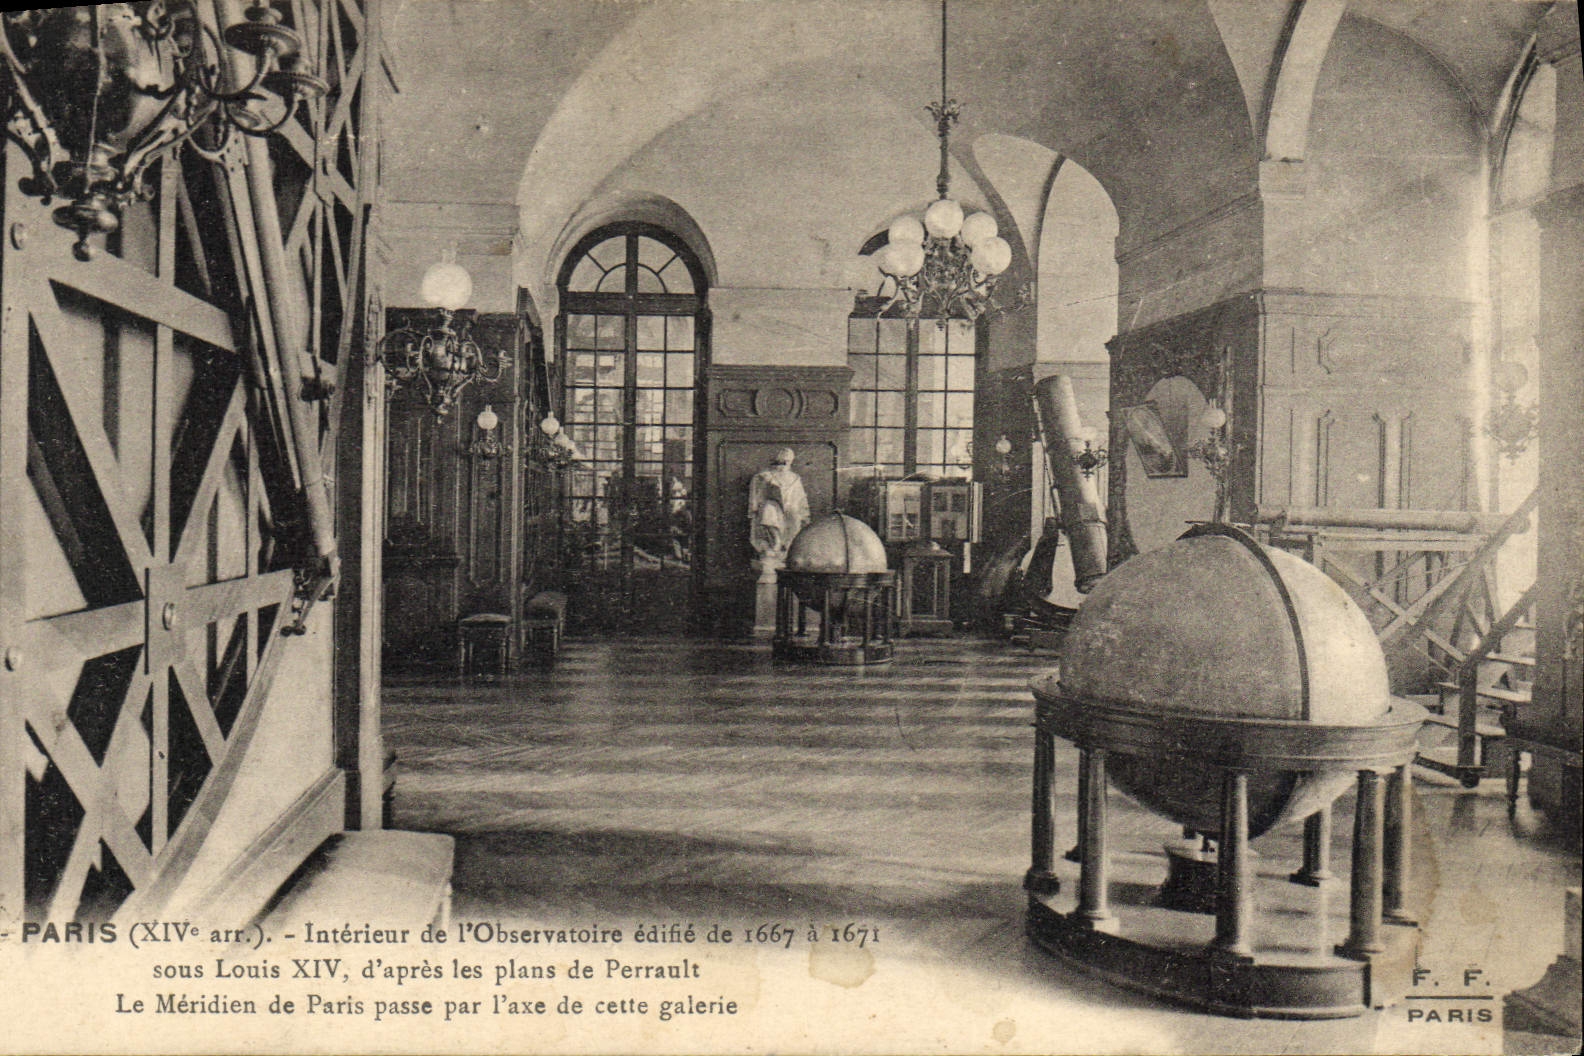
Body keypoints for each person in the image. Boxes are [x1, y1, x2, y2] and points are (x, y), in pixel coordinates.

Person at [747, 448, 809, 572]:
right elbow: (757, 496)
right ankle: (776, 541)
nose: (784, 463)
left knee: (794, 514)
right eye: (782, 460)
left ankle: (787, 547)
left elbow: (801, 498)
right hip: (771, 505)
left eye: (787, 461)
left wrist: (804, 513)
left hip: (789, 508)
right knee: (768, 510)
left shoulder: (794, 478)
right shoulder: (765, 476)